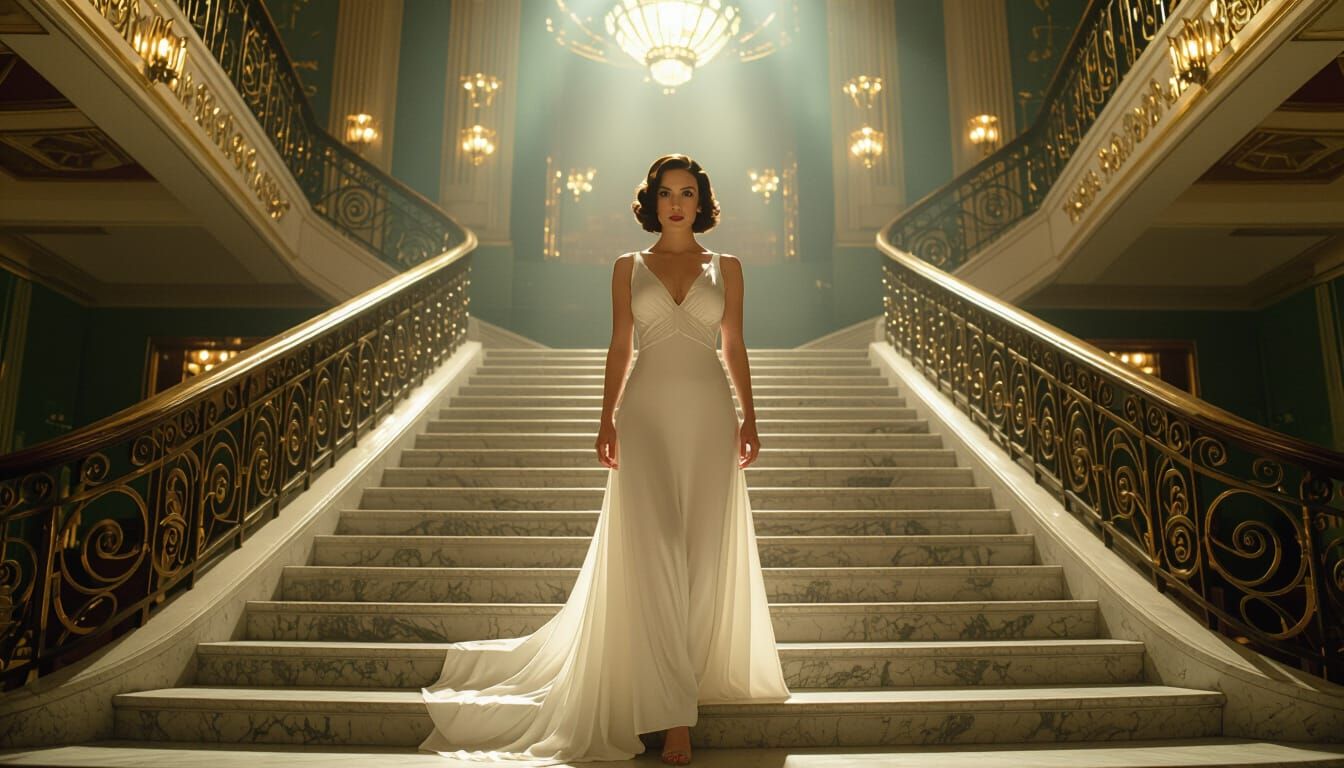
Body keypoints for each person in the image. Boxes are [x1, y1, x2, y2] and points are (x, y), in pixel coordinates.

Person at [420, 153, 790, 766]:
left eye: (689, 193)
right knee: (656, 553)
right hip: (643, 416)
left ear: (702, 202)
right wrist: (605, 418)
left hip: (707, 414)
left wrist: (751, 416)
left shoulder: (728, 268)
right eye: (668, 192)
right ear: (653, 200)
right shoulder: (628, 267)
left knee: (701, 553)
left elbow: (734, 344)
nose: (677, 203)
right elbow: (621, 346)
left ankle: (685, 677)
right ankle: (674, 718)